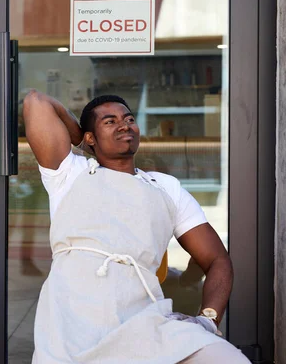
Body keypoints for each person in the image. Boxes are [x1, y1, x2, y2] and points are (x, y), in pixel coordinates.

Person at [23, 90, 249, 363]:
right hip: (72, 319)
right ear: (91, 137)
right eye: (110, 121)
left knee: (227, 358)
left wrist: (208, 319)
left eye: (129, 119)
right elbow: (37, 101)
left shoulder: (166, 187)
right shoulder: (69, 174)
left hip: (143, 320)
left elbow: (216, 259)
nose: (123, 125)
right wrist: (81, 140)